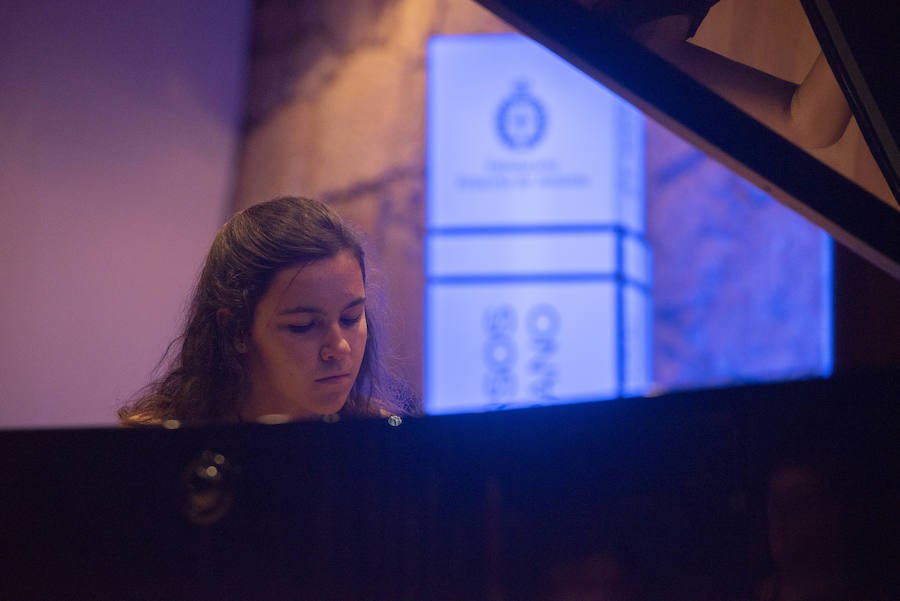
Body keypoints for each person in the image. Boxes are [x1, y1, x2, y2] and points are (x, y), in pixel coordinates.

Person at [118, 196, 412, 425]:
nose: (339, 348)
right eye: (303, 325)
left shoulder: (384, 439)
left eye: (351, 318)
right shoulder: (153, 448)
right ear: (238, 331)